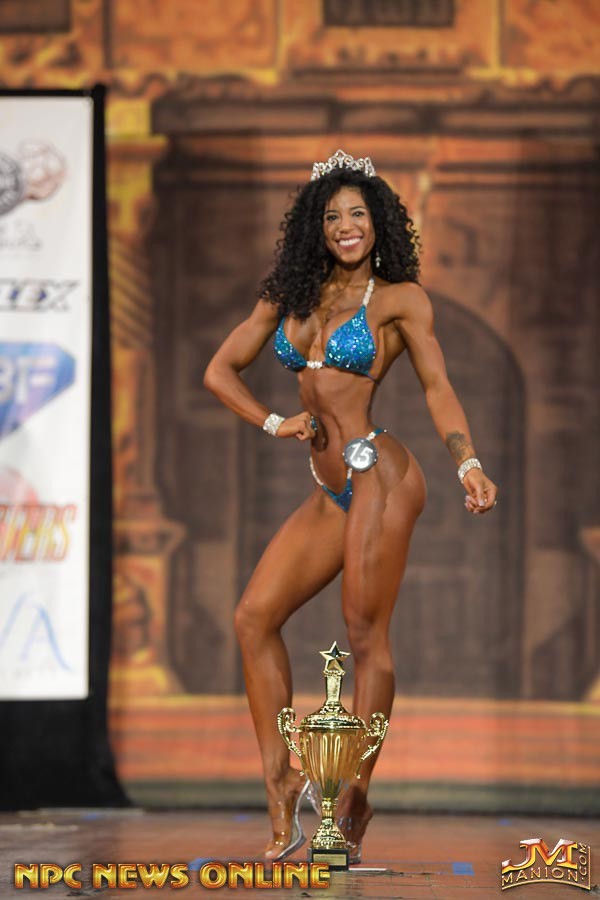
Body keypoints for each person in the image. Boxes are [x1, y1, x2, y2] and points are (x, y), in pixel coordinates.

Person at [203, 149, 498, 863]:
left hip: (380, 476)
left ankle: (351, 795)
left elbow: (437, 386)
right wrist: (274, 422)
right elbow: (219, 370)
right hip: (328, 489)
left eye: (358, 214)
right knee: (252, 618)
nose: (345, 226)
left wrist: (467, 461)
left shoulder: (398, 300)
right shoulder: (289, 296)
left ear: (379, 223)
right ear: (316, 226)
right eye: (332, 216)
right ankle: (281, 782)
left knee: (365, 636)